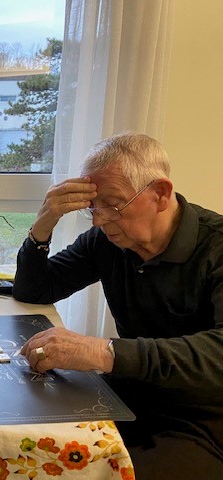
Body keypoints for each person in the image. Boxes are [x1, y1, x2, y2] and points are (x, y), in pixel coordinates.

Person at [13, 132, 223, 478]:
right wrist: (43, 225)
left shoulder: (216, 247)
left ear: (160, 194)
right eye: (92, 207)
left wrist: (105, 352)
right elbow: (34, 290)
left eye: (112, 203)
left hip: (204, 418)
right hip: (131, 394)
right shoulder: (108, 241)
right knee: (32, 446)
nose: (99, 220)